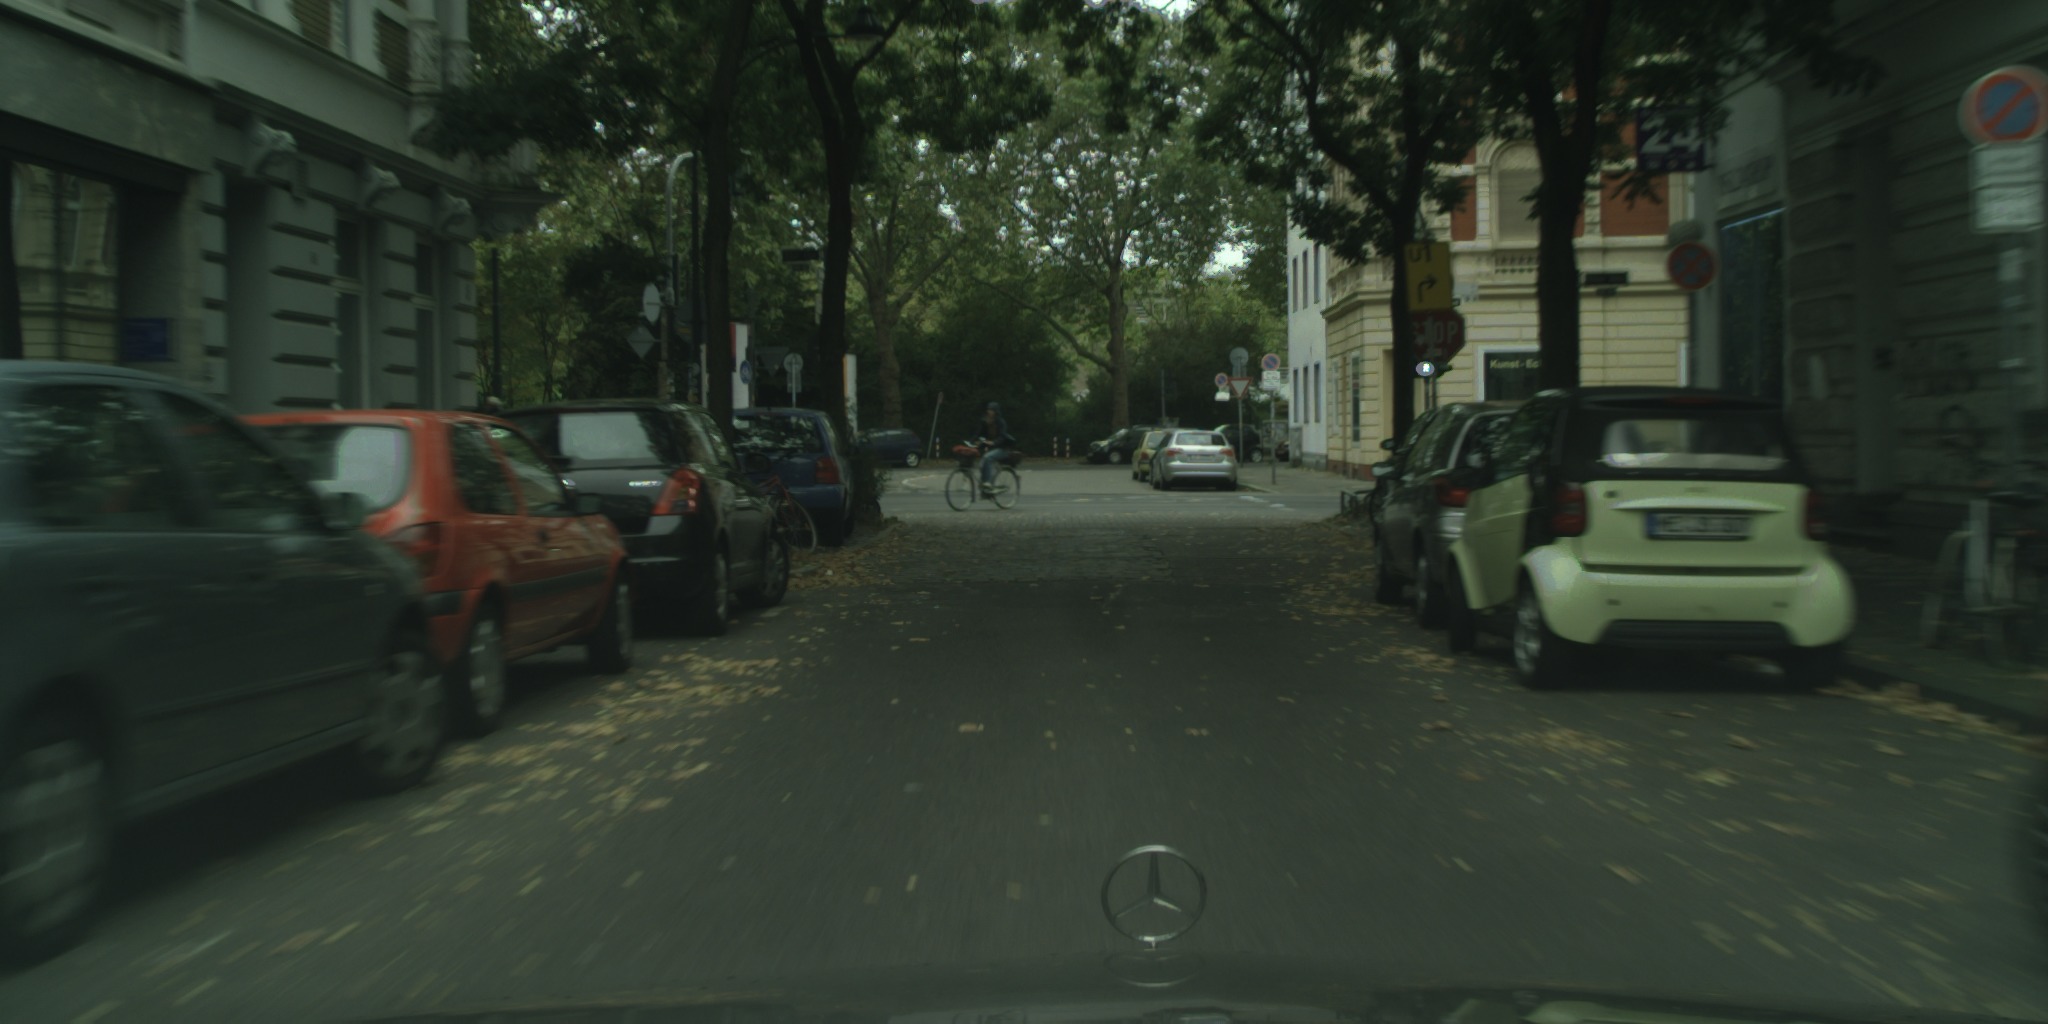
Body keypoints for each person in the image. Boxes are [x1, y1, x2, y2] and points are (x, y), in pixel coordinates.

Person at [975, 402, 1017, 496]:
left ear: (996, 412)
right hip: (992, 449)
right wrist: (972, 442)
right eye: (988, 410)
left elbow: (1002, 436)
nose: (989, 412)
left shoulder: (1001, 422)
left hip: (1003, 448)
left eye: (991, 410)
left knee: (988, 458)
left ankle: (988, 483)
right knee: (982, 465)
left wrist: (993, 442)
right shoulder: (985, 421)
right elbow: (979, 434)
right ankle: (986, 490)